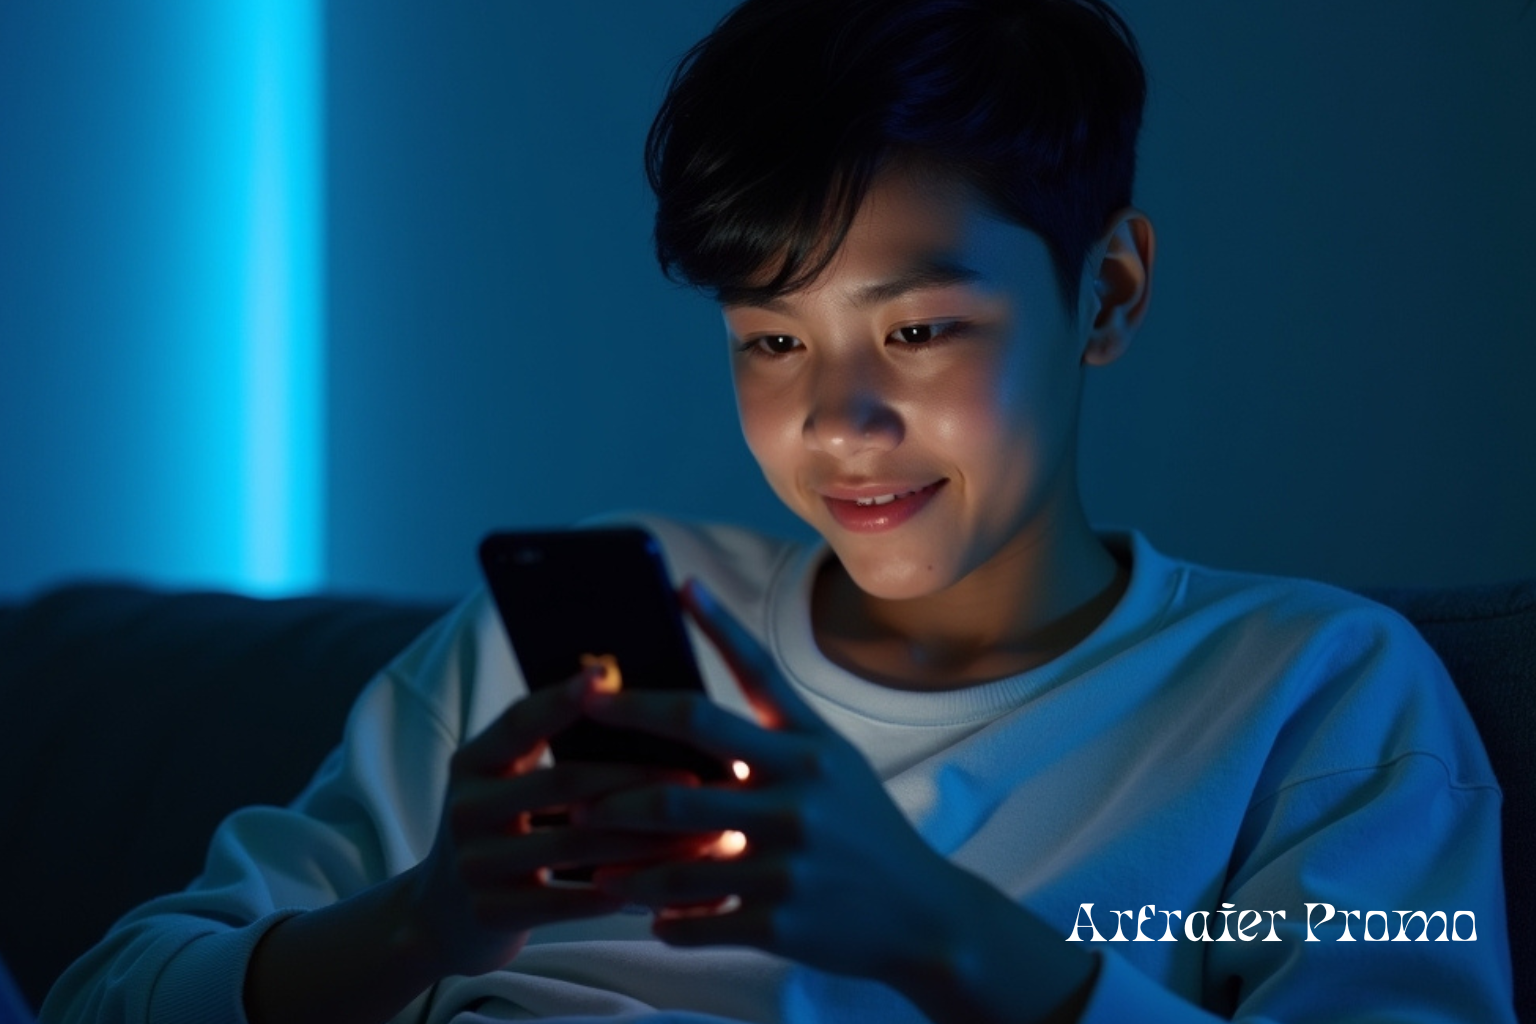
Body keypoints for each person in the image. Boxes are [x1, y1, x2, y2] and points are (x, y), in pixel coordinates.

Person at [43, 0, 1515, 1022]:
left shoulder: (1312, 691)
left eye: (922, 331)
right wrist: (425, 920)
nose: (834, 419)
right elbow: (113, 991)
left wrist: (937, 934)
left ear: (1108, 294)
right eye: (771, 340)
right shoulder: (573, 635)